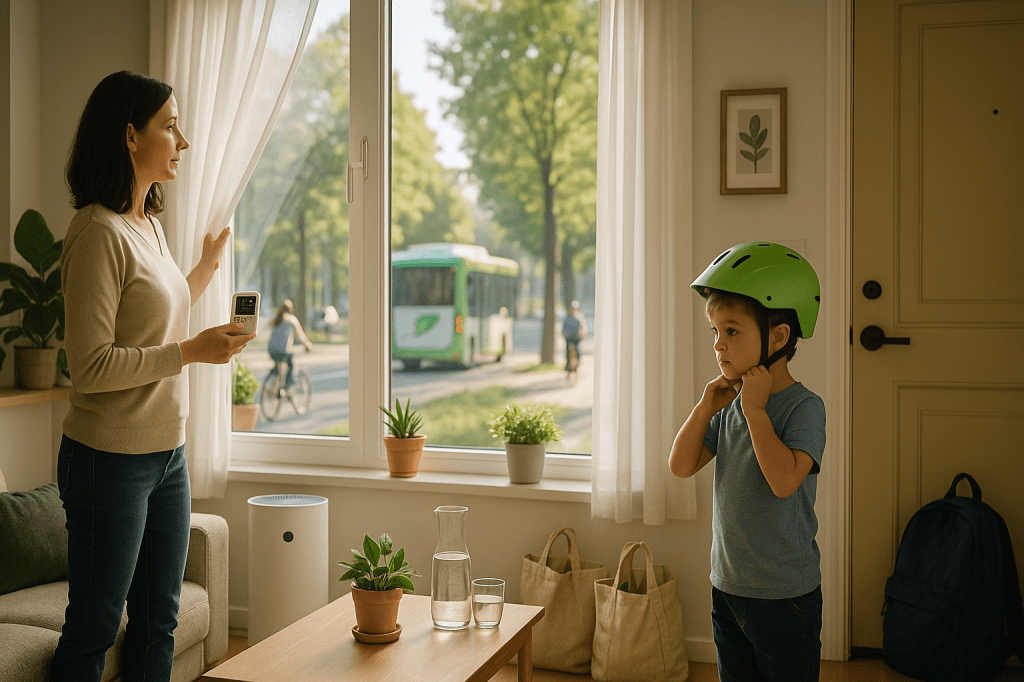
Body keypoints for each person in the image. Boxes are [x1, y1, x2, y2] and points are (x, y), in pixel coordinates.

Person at [55, 71, 255, 682]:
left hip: (166, 456)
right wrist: (192, 352)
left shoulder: (147, 225)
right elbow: (91, 368)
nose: (182, 140)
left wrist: (206, 269)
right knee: (95, 625)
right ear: (129, 136)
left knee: (156, 623)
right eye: (169, 126)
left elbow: (156, 317)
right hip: (106, 459)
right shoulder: (96, 233)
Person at [668, 242, 826, 682]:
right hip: (728, 587)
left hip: (784, 596)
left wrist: (756, 412)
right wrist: (704, 408)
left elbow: (784, 481)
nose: (719, 346)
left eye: (732, 332)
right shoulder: (730, 403)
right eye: (715, 333)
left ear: (778, 337)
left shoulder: (804, 408)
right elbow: (681, 466)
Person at [268, 299, 313, 388]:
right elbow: (300, 335)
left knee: (279, 367)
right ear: (291, 309)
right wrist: (307, 344)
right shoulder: (292, 319)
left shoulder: (276, 319)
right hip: (283, 350)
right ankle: (288, 384)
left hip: (271, 349)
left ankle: (275, 388)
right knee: (291, 363)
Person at [561, 300, 588, 377]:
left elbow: (583, 327)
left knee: (577, 350)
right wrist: (563, 334)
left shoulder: (579, 317)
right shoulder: (567, 317)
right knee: (568, 350)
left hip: (576, 337)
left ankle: (578, 362)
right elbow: (564, 328)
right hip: (569, 337)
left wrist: (582, 334)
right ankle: (568, 365)